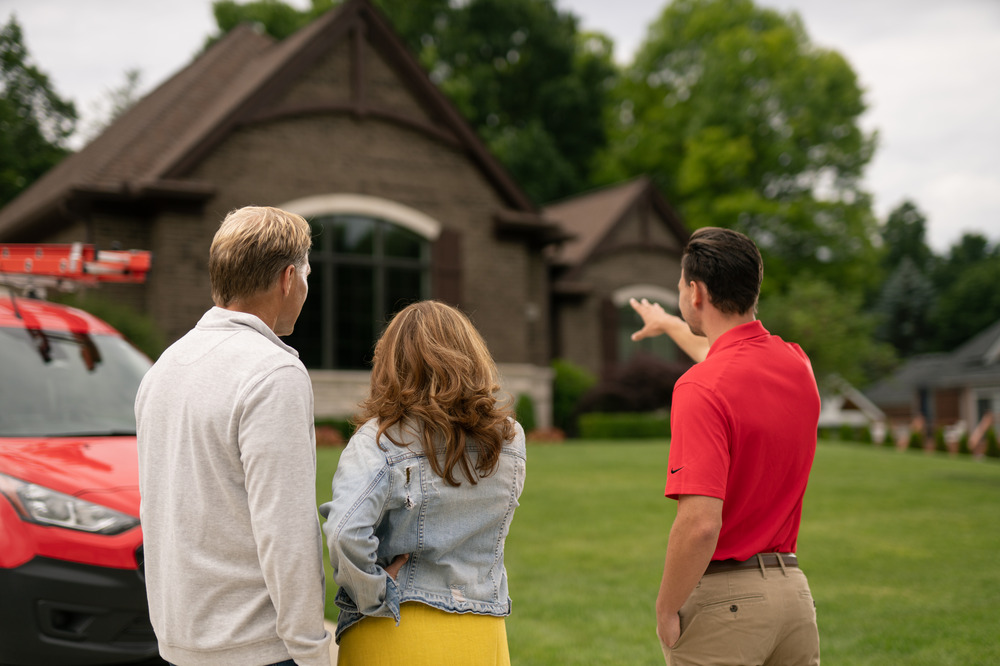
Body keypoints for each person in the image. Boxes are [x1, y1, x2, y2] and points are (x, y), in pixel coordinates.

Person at [135, 206, 332, 666]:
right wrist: (313, 651)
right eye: (307, 275)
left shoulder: (163, 367)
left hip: (179, 642)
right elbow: (286, 532)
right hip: (255, 648)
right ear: (289, 279)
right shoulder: (273, 372)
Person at [631, 227, 821, 665]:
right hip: (794, 597)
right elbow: (726, 355)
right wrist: (671, 325)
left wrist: (665, 607)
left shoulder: (699, 387)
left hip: (727, 605)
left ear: (695, 292)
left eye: (681, 284)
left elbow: (700, 524)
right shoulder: (798, 364)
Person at [320, 300, 526, 666]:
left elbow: (343, 531)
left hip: (392, 627)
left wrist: (373, 592)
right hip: (482, 632)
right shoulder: (509, 439)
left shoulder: (378, 440)